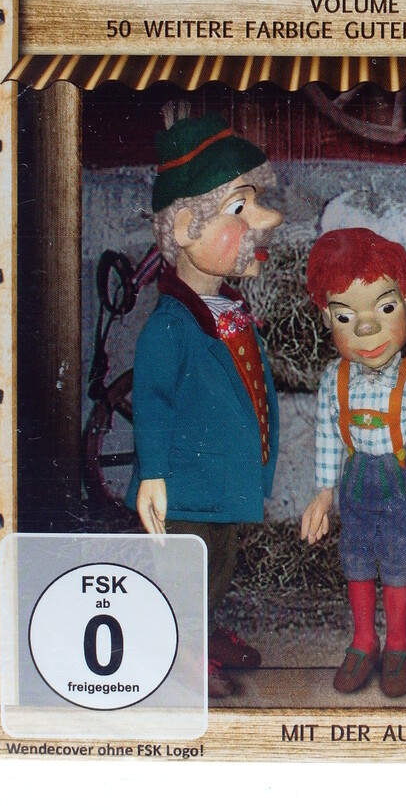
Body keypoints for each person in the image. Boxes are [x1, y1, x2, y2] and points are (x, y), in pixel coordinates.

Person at [126, 112, 283, 699]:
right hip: (186, 489)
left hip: (223, 485)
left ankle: (202, 635)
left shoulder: (231, 312)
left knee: (217, 567)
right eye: (240, 209)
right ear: (186, 226)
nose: (265, 222)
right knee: (183, 574)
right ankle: (179, 651)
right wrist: (153, 475)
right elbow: (152, 401)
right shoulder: (171, 324)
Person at [301, 228, 406, 698]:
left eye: (384, 309)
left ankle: (398, 642)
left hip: (397, 481)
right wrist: (324, 493)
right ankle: (364, 640)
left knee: (400, 561)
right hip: (355, 480)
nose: (366, 330)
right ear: (327, 317)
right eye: (346, 316)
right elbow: (327, 436)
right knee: (357, 557)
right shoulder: (334, 379)